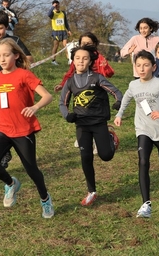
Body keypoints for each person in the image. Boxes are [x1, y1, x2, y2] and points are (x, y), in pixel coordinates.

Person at [114, 50, 159, 218]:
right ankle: (146, 204)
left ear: (154, 67)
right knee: (142, 161)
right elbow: (126, 98)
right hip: (143, 128)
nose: (142, 69)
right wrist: (119, 114)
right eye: (138, 65)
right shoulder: (134, 85)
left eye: (146, 65)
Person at [0, 38, 54, 218]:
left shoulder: (24, 75)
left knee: (32, 170)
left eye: (6, 55)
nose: (2, 59)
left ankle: (45, 199)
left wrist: (35, 107)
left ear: (16, 55)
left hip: (24, 130)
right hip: (3, 129)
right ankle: (11, 183)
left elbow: (47, 96)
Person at [59, 45, 123, 206]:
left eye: (85, 58)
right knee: (85, 157)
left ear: (90, 61)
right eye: (78, 58)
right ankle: (91, 191)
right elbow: (62, 103)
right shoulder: (70, 82)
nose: (81, 61)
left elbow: (116, 92)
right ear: (73, 60)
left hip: (99, 122)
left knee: (106, 156)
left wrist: (118, 102)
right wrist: (68, 116)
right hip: (81, 125)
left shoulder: (96, 78)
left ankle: (110, 138)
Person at [0, 9, 34, 169]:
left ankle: (21, 148)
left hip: (14, 88)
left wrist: (16, 67)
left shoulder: (14, 41)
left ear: (6, 27)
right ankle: (5, 151)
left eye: (0, 28)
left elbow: (29, 57)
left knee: (15, 118)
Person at [55, 32, 115, 154]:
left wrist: (103, 71)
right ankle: (87, 139)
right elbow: (70, 73)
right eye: (83, 43)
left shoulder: (100, 58)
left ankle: (103, 139)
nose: (85, 45)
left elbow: (109, 72)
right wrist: (62, 84)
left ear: (94, 44)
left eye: (88, 43)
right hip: (82, 96)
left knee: (104, 149)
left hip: (97, 93)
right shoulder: (79, 59)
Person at [47, 0, 71, 65]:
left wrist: (69, 30)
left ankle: (69, 59)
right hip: (56, 32)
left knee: (66, 46)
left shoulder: (63, 13)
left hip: (63, 31)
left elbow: (66, 22)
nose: (56, 6)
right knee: (56, 46)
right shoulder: (52, 13)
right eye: (55, 5)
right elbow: (48, 14)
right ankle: (53, 60)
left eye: (57, 5)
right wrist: (53, 7)